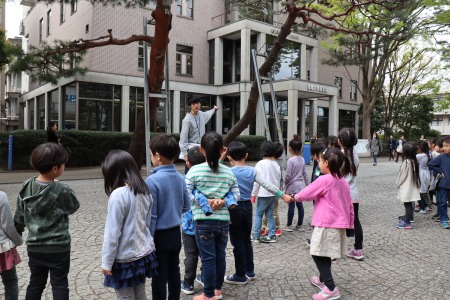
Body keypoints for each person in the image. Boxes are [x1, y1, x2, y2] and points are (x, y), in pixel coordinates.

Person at [14, 142, 80, 299]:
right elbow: (73, 206)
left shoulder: (26, 187)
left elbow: (19, 216)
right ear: (56, 168)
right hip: (58, 248)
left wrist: (16, 235)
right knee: (60, 284)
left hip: (35, 247)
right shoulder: (63, 190)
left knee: (36, 283)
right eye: (63, 164)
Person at [223, 141, 292, 285]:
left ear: (229, 157)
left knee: (237, 242)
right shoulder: (252, 170)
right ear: (246, 155)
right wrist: (282, 195)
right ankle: (250, 271)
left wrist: (222, 155)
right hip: (248, 207)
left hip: (233, 208)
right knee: (247, 240)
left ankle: (240, 274)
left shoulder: (227, 172)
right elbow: (267, 184)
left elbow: (212, 169)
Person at [185, 132, 240, 300]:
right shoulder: (228, 172)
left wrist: (206, 202)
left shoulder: (194, 171)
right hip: (223, 221)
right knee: (220, 256)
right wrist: (222, 202)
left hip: (203, 221)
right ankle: (217, 290)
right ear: (223, 150)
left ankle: (208, 295)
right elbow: (237, 195)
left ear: (201, 150)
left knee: (208, 259)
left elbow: (186, 195)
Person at [294, 147, 354, 300]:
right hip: (338, 224)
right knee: (324, 252)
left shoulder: (324, 179)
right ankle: (322, 279)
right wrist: (350, 225)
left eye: (320, 160)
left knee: (317, 252)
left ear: (326, 163)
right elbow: (350, 205)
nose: (318, 162)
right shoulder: (343, 181)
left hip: (326, 224)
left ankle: (331, 287)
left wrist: (294, 197)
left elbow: (307, 193)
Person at [101, 150, 158, 299]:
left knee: (125, 297)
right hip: (143, 253)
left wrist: (106, 262)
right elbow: (147, 222)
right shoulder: (145, 191)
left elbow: (112, 232)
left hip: (124, 258)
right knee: (140, 295)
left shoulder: (118, 195)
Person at [144, 134, 191, 300]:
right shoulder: (181, 178)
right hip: (175, 233)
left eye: (151, 154)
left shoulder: (152, 181)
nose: (151, 158)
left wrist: (147, 239)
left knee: (159, 276)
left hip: (159, 235)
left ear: (158, 155)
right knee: (174, 272)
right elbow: (187, 206)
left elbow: (152, 215)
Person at [180, 146, 205, 295]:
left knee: (191, 254)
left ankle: (188, 283)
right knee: (205, 253)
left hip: (189, 225)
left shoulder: (186, 180)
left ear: (188, 163)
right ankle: (205, 277)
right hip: (206, 222)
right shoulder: (207, 177)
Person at [338, 128, 364, 261]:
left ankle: (333, 249)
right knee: (356, 221)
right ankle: (358, 249)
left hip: (339, 195)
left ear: (339, 141)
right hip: (353, 193)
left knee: (335, 221)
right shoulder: (356, 156)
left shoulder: (337, 156)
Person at [179, 96, 218, 173]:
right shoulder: (187, 120)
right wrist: (185, 155)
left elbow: (208, 113)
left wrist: (214, 109)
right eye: (193, 104)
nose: (196, 105)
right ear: (190, 106)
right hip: (191, 149)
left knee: (201, 171)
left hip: (201, 148)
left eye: (197, 103)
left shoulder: (201, 114)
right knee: (190, 172)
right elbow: (183, 139)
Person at [283, 134, 310, 232]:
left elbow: (288, 176)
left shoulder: (290, 161)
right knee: (300, 205)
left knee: (291, 205)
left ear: (290, 149)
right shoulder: (302, 159)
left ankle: (289, 225)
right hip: (300, 186)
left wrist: (284, 184)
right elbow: (305, 174)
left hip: (292, 186)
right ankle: (300, 224)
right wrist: (308, 185)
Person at [0, 191, 23, 300]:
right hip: (2, 248)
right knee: (10, 282)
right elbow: (8, 225)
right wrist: (18, 241)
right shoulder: (1, 196)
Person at [259, 142, 285, 237]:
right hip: (269, 191)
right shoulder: (274, 162)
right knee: (269, 210)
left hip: (274, 191)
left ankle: (277, 228)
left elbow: (279, 179)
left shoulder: (275, 163)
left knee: (272, 211)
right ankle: (264, 227)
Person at [396, 142, 421, 229]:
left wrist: (397, 184)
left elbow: (402, 176)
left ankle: (407, 222)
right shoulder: (414, 162)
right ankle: (408, 219)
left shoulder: (406, 163)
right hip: (412, 187)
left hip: (406, 188)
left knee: (407, 205)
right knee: (409, 204)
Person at [428, 136, 450, 229]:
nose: (444, 148)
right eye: (444, 146)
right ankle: (444, 219)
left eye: (447, 146)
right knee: (442, 202)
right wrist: (440, 171)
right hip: (443, 184)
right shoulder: (441, 157)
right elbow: (431, 164)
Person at [416, 140, 432, 213]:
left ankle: (423, 208)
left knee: (418, 192)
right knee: (424, 191)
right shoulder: (428, 154)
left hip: (420, 174)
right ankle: (426, 206)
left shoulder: (418, 156)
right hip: (426, 173)